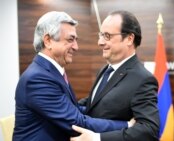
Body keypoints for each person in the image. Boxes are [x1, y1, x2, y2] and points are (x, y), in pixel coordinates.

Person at [13, 11, 131, 141]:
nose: (76, 47)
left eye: (76, 40)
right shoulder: (37, 79)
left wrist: (116, 110)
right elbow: (77, 122)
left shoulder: (51, 71)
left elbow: (73, 109)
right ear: (48, 41)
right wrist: (127, 125)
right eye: (70, 40)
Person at [73, 10, 160, 141]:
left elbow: (149, 130)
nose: (100, 42)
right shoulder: (105, 70)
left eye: (107, 36)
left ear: (129, 39)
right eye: (100, 35)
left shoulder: (143, 79)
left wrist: (98, 138)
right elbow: (94, 103)